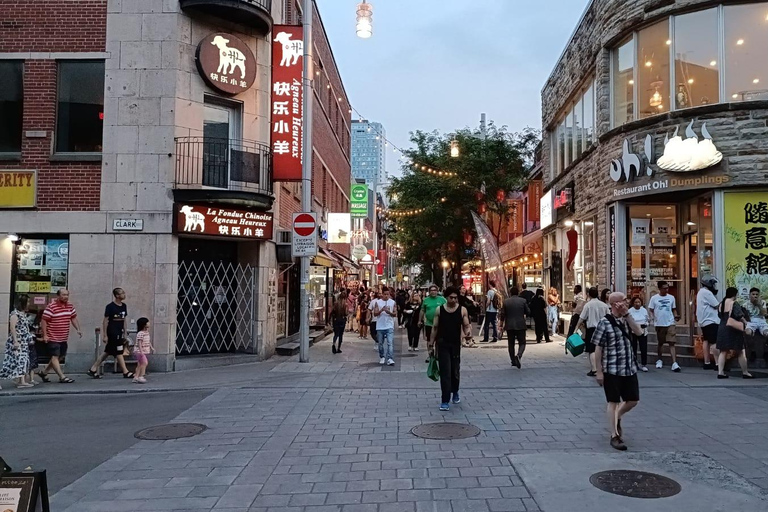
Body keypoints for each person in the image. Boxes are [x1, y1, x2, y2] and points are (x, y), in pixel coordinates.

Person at [593, 292, 644, 451]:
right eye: (623, 300)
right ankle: (614, 435)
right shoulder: (604, 323)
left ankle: (617, 417)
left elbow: (639, 332)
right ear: (615, 304)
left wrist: (627, 314)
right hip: (612, 368)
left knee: (633, 400)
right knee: (613, 401)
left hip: (629, 367)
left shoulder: (627, 319)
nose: (626, 302)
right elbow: (598, 348)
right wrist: (599, 372)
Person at [429, 286, 473, 411]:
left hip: (455, 344)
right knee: (445, 372)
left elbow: (466, 325)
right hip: (442, 344)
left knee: (455, 370)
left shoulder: (462, 310)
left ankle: (455, 391)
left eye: (455, 297)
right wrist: (431, 343)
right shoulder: (439, 310)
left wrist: (467, 334)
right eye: (451, 297)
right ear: (446, 298)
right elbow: (435, 328)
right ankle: (445, 400)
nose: (453, 300)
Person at [88, 288, 134, 379]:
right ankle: (125, 371)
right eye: (122, 293)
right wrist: (105, 335)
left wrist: (125, 332)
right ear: (117, 295)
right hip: (112, 331)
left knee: (107, 351)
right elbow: (105, 321)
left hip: (119, 331)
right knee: (119, 351)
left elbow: (124, 319)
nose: (124, 295)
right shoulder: (110, 306)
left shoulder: (124, 306)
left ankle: (93, 369)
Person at [39, 289, 81, 383]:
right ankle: (62, 377)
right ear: (58, 296)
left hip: (63, 336)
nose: (66, 296)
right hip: (53, 336)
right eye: (63, 295)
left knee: (60, 356)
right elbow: (44, 320)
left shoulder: (70, 306)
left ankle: (44, 372)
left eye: (67, 295)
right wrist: (45, 335)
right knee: (55, 356)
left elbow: (73, 317)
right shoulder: (51, 307)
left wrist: (78, 329)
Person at [716, 287, 753, 379]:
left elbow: (720, 315)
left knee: (723, 351)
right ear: (734, 294)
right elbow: (739, 315)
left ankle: (720, 372)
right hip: (733, 329)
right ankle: (745, 372)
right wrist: (746, 323)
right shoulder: (734, 303)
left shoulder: (721, 304)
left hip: (722, 327)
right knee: (741, 351)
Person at [575, 287, 610, 376]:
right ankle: (602, 367)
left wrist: (576, 329)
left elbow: (581, 318)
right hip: (603, 328)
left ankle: (594, 369)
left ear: (589, 295)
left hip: (592, 329)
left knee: (592, 349)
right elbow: (609, 317)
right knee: (602, 348)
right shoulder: (604, 305)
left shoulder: (588, 305)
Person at [1, 295, 33, 388]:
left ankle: (21, 381)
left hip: (23, 342)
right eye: (27, 302)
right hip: (17, 341)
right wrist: (15, 341)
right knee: (13, 362)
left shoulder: (22, 313)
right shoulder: (15, 314)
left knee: (22, 361)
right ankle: (17, 380)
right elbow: (12, 328)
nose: (29, 304)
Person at [648, 281, 681, 372]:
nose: (666, 290)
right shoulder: (654, 298)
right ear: (660, 288)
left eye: (667, 288)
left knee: (672, 342)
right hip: (659, 323)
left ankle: (674, 362)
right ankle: (659, 359)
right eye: (664, 288)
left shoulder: (671, 297)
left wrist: (676, 315)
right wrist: (652, 318)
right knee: (661, 342)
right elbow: (651, 309)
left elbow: (673, 309)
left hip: (670, 322)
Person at [499, 286, 530, 369]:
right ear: (518, 292)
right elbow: (528, 311)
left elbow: (502, 315)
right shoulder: (523, 301)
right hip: (520, 324)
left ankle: (513, 361)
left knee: (511, 344)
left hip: (509, 325)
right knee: (522, 342)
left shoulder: (506, 302)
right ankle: (519, 355)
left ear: (510, 293)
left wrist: (501, 325)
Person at [697, 276, 721, 370]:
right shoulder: (707, 293)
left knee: (706, 341)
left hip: (703, 320)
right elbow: (716, 305)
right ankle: (718, 363)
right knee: (714, 342)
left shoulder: (701, 292)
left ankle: (707, 362)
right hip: (711, 320)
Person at [419, 285, 447, 360]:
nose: (433, 292)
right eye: (431, 290)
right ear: (429, 292)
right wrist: (419, 320)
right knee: (429, 340)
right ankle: (430, 354)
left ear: (437, 291)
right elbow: (422, 310)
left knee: (439, 340)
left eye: (435, 290)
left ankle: (438, 354)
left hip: (440, 324)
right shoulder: (426, 300)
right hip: (429, 323)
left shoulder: (442, 300)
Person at [743, 288, 768, 363]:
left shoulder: (762, 302)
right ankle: (752, 351)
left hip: (761, 321)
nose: (755, 296)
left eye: (757, 294)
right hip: (751, 321)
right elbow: (744, 316)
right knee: (747, 333)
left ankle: (766, 352)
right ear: (750, 295)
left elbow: (765, 314)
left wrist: (759, 305)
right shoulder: (745, 304)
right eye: (753, 294)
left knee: (767, 333)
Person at [373, 288, 397, 366]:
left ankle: (390, 358)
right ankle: (382, 356)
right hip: (380, 326)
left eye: (388, 294)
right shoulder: (378, 302)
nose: (386, 296)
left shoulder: (392, 302)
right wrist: (381, 310)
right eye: (385, 294)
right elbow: (375, 314)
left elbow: (395, 314)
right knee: (380, 343)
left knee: (390, 343)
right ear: (382, 294)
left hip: (389, 325)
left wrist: (389, 312)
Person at [627, 296, 650, 372]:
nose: (637, 304)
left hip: (643, 330)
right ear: (633, 303)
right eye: (636, 302)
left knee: (643, 347)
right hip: (633, 330)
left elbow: (647, 320)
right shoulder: (630, 311)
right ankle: (634, 363)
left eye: (639, 302)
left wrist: (645, 324)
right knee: (633, 348)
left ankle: (644, 364)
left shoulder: (644, 310)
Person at [132, 317, 154, 384]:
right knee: (144, 363)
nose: (149, 323)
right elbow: (139, 343)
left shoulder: (146, 332)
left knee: (139, 364)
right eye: (147, 322)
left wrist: (151, 347)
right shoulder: (140, 333)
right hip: (139, 351)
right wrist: (141, 351)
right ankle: (141, 376)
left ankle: (136, 377)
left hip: (143, 351)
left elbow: (148, 341)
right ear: (144, 324)